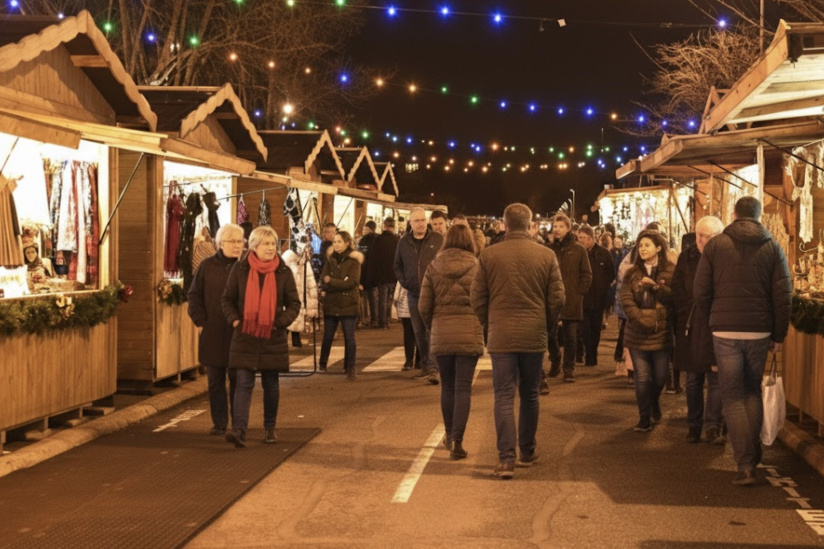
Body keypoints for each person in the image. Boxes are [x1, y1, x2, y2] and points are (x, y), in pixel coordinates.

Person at [694, 197, 792, 486]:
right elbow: (782, 296)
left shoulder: (715, 246)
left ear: (733, 214)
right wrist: (778, 335)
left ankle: (746, 464)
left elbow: (701, 292)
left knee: (734, 396)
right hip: (759, 331)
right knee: (751, 391)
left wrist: (713, 319)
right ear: (759, 216)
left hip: (724, 331)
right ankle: (753, 453)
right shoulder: (773, 247)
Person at [471, 203, 565, 479]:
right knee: (530, 393)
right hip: (534, 333)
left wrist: (490, 324)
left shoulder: (489, 255)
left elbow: (477, 298)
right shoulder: (546, 256)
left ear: (504, 224)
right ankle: (527, 449)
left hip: (501, 334)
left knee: (503, 396)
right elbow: (558, 298)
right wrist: (546, 325)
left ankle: (505, 459)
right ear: (530, 224)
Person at [221, 226, 301, 447]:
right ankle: (239, 431)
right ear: (254, 247)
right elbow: (227, 299)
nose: (270, 248)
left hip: (271, 336)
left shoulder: (283, 272)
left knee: (271, 384)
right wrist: (236, 320)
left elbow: (294, 304)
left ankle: (269, 428)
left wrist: (279, 323)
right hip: (245, 335)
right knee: (243, 383)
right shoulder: (240, 269)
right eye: (265, 244)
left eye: (273, 244)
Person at [419, 224, 483, 461]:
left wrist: (433, 325)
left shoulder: (434, 266)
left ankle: (447, 433)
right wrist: (481, 324)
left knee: (447, 386)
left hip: (442, 332)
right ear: (470, 242)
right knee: (464, 387)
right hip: (469, 332)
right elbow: (483, 301)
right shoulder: (477, 267)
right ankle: (458, 440)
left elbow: (424, 306)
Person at [187, 223, 245, 436]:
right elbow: (194, 295)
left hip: (239, 333)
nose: (237, 246)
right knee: (215, 381)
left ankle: (238, 423)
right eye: (233, 241)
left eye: (240, 241)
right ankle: (219, 422)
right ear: (221, 244)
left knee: (238, 381)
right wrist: (201, 322)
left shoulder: (246, 266)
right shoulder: (207, 266)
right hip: (213, 332)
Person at [672, 217, 725, 444]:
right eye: (699, 235)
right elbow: (677, 288)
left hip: (716, 324)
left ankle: (712, 425)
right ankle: (694, 425)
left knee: (715, 378)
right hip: (691, 325)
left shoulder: (724, 258)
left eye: (707, 236)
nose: (701, 240)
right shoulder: (687, 256)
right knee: (693, 379)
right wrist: (687, 310)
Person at [620, 229, 675, 433]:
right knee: (642, 377)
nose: (642, 249)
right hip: (637, 333)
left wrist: (657, 288)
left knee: (660, 376)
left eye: (647, 245)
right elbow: (625, 299)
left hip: (662, 332)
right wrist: (638, 317)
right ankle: (644, 417)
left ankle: (653, 403)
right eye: (640, 245)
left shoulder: (670, 270)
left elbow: (674, 298)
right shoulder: (631, 273)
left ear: (658, 248)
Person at [394, 207, 444, 385]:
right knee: (419, 332)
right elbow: (397, 266)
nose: (421, 224)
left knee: (433, 330)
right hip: (414, 293)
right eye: (417, 221)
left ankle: (434, 368)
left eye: (423, 220)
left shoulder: (438, 240)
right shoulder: (403, 242)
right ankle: (425, 365)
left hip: (434, 293)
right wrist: (406, 282)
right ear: (411, 223)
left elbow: (444, 262)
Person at [547, 213, 592, 383]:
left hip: (572, 300)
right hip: (552, 300)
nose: (556, 230)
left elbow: (586, 274)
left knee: (571, 337)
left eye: (560, 226)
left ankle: (569, 369)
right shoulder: (548, 249)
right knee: (550, 335)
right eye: (555, 226)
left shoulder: (578, 249)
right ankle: (556, 360)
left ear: (568, 228)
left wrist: (579, 291)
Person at [319, 231, 363, 379]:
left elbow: (351, 282)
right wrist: (337, 282)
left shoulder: (354, 261)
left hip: (348, 303)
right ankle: (322, 364)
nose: (336, 244)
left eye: (339, 241)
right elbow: (323, 280)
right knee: (328, 336)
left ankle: (350, 367)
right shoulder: (330, 260)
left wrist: (331, 281)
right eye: (334, 241)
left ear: (347, 243)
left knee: (349, 337)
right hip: (331, 303)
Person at [576, 225, 615, 366]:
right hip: (582, 297)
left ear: (591, 238)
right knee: (584, 329)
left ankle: (592, 355)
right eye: (579, 237)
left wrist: (603, 286)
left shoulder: (603, 253)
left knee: (595, 329)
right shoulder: (577, 253)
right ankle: (588, 351)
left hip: (598, 298)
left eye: (583, 238)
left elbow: (611, 274)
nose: (580, 241)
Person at [281, 243, 319, 348]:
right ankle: (291, 341)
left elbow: (309, 282)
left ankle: (295, 341)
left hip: (298, 297)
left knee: (295, 318)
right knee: (290, 318)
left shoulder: (303, 263)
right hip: (291, 297)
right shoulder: (288, 262)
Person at [367, 217, 399, 329]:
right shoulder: (397, 240)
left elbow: (373, 258)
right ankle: (388, 319)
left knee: (382, 299)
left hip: (381, 275)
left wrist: (372, 274)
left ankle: (382, 321)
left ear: (384, 226)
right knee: (390, 298)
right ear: (394, 227)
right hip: (393, 274)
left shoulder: (378, 240)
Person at [394, 281, 421, 370]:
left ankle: (409, 361)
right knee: (420, 334)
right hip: (419, 307)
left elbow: (397, 294)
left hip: (405, 308)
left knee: (408, 335)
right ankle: (419, 361)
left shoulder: (404, 274)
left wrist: (396, 303)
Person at [357, 221, 378, 328]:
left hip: (364, 273)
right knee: (373, 297)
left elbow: (360, 256)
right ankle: (375, 318)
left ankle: (365, 318)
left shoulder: (363, 241)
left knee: (365, 298)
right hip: (374, 274)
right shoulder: (378, 240)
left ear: (370, 229)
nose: (364, 231)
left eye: (365, 229)